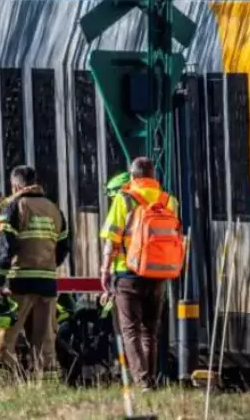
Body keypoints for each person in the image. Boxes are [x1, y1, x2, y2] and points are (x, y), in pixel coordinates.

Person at [99, 157, 180, 391]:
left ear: (132, 176)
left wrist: (105, 270)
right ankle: (150, 379)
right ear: (154, 176)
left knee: (130, 330)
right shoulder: (169, 201)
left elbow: (112, 239)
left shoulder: (124, 198)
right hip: (159, 274)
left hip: (128, 273)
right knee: (150, 331)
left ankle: (143, 382)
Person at [0, 165, 69, 384]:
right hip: (47, 283)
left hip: (19, 281)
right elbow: (63, 247)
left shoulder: (14, 207)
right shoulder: (54, 210)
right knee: (45, 337)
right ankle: (47, 381)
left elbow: (5, 245)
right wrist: (48, 264)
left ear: (15, 185)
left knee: (6, 332)